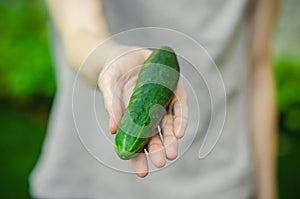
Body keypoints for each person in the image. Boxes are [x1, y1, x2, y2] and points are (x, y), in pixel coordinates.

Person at [30, 0, 280, 198]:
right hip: (89, 182)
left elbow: (257, 68)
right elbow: (80, 31)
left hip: (222, 181)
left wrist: (268, 191)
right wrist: (110, 58)